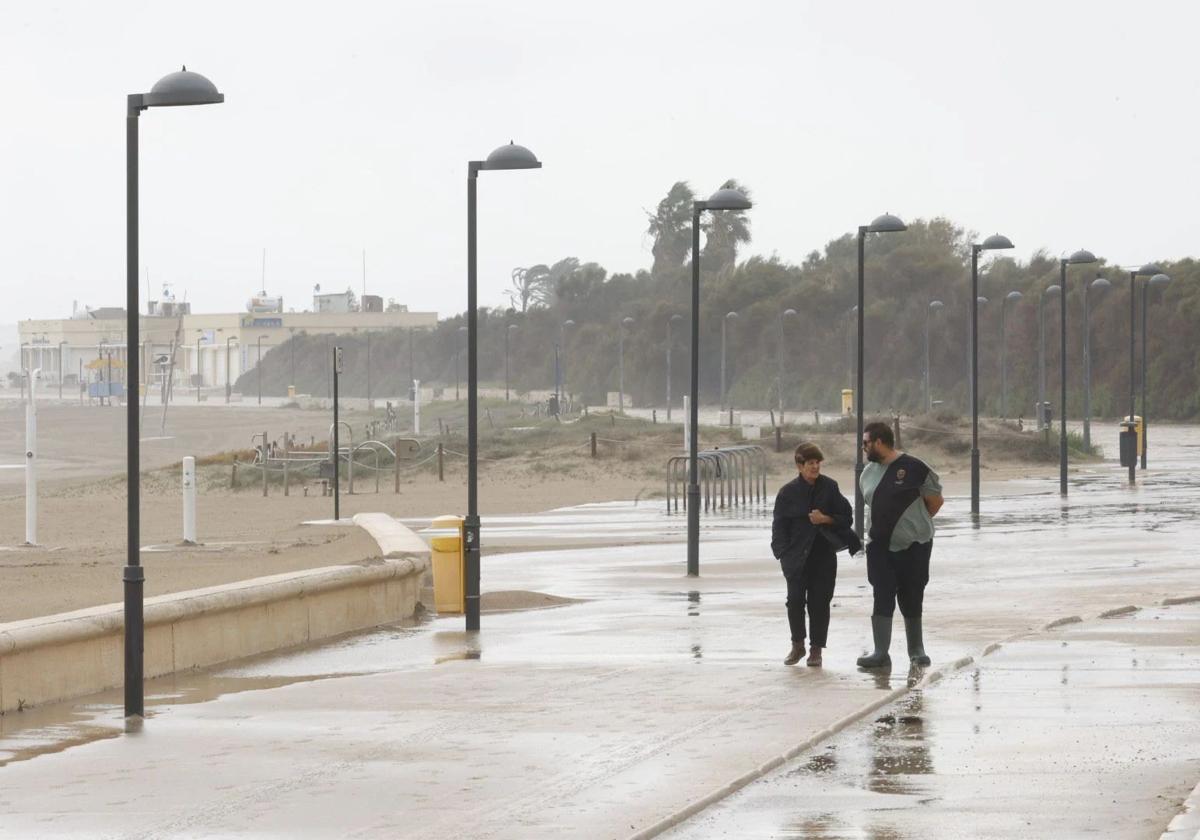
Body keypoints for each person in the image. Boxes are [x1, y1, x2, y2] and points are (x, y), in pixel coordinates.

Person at [856, 421, 945, 670]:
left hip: (915, 545)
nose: (863, 448)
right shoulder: (867, 473)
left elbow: (935, 502)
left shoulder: (915, 467)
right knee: (882, 594)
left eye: (866, 443)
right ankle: (880, 653)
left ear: (880, 442)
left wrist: (913, 524)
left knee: (912, 594)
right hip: (879, 546)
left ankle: (916, 650)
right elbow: (870, 503)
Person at [771, 442, 860, 667]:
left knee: (820, 603)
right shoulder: (787, 492)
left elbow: (846, 517)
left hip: (823, 554)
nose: (815, 467)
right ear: (799, 466)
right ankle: (797, 645)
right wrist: (781, 553)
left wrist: (826, 519)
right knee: (794, 601)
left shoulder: (830, 487)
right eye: (810, 463)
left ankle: (816, 650)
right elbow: (779, 526)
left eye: (817, 463)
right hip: (795, 556)